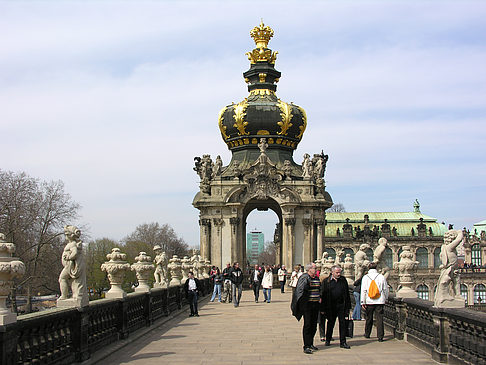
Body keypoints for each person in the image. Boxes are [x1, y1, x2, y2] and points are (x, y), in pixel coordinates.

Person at [291, 263, 321, 354]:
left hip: (315, 304)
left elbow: (319, 289)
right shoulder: (305, 278)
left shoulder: (316, 278)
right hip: (307, 305)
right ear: (309, 269)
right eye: (315, 268)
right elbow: (300, 291)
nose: (316, 270)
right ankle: (306, 345)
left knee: (314, 325)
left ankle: (311, 343)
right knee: (308, 324)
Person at [320, 265, 351, 349]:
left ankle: (343, 341)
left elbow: (347, 294)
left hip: (341, 305)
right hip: (331, 306)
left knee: (343, 323)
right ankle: (328, 339)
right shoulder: (326, 281)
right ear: (332, 272)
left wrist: (348, 306)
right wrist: (322, 308)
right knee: (330, 323)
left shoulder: (343, 280)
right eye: (337, 272)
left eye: (339, 272)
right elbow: (323, 295)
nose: (338, 274)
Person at [361, 262, 389, 342]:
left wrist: (363, 301)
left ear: (369, 268)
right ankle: (380, 336)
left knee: (369, 317)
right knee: (379, 318)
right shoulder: (381, 277)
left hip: (369, 300)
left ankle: (367, 333)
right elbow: (385, 289)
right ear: (376, 268)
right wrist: (386, 298)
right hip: (379, 300)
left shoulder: (366, 277)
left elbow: (363, 290)